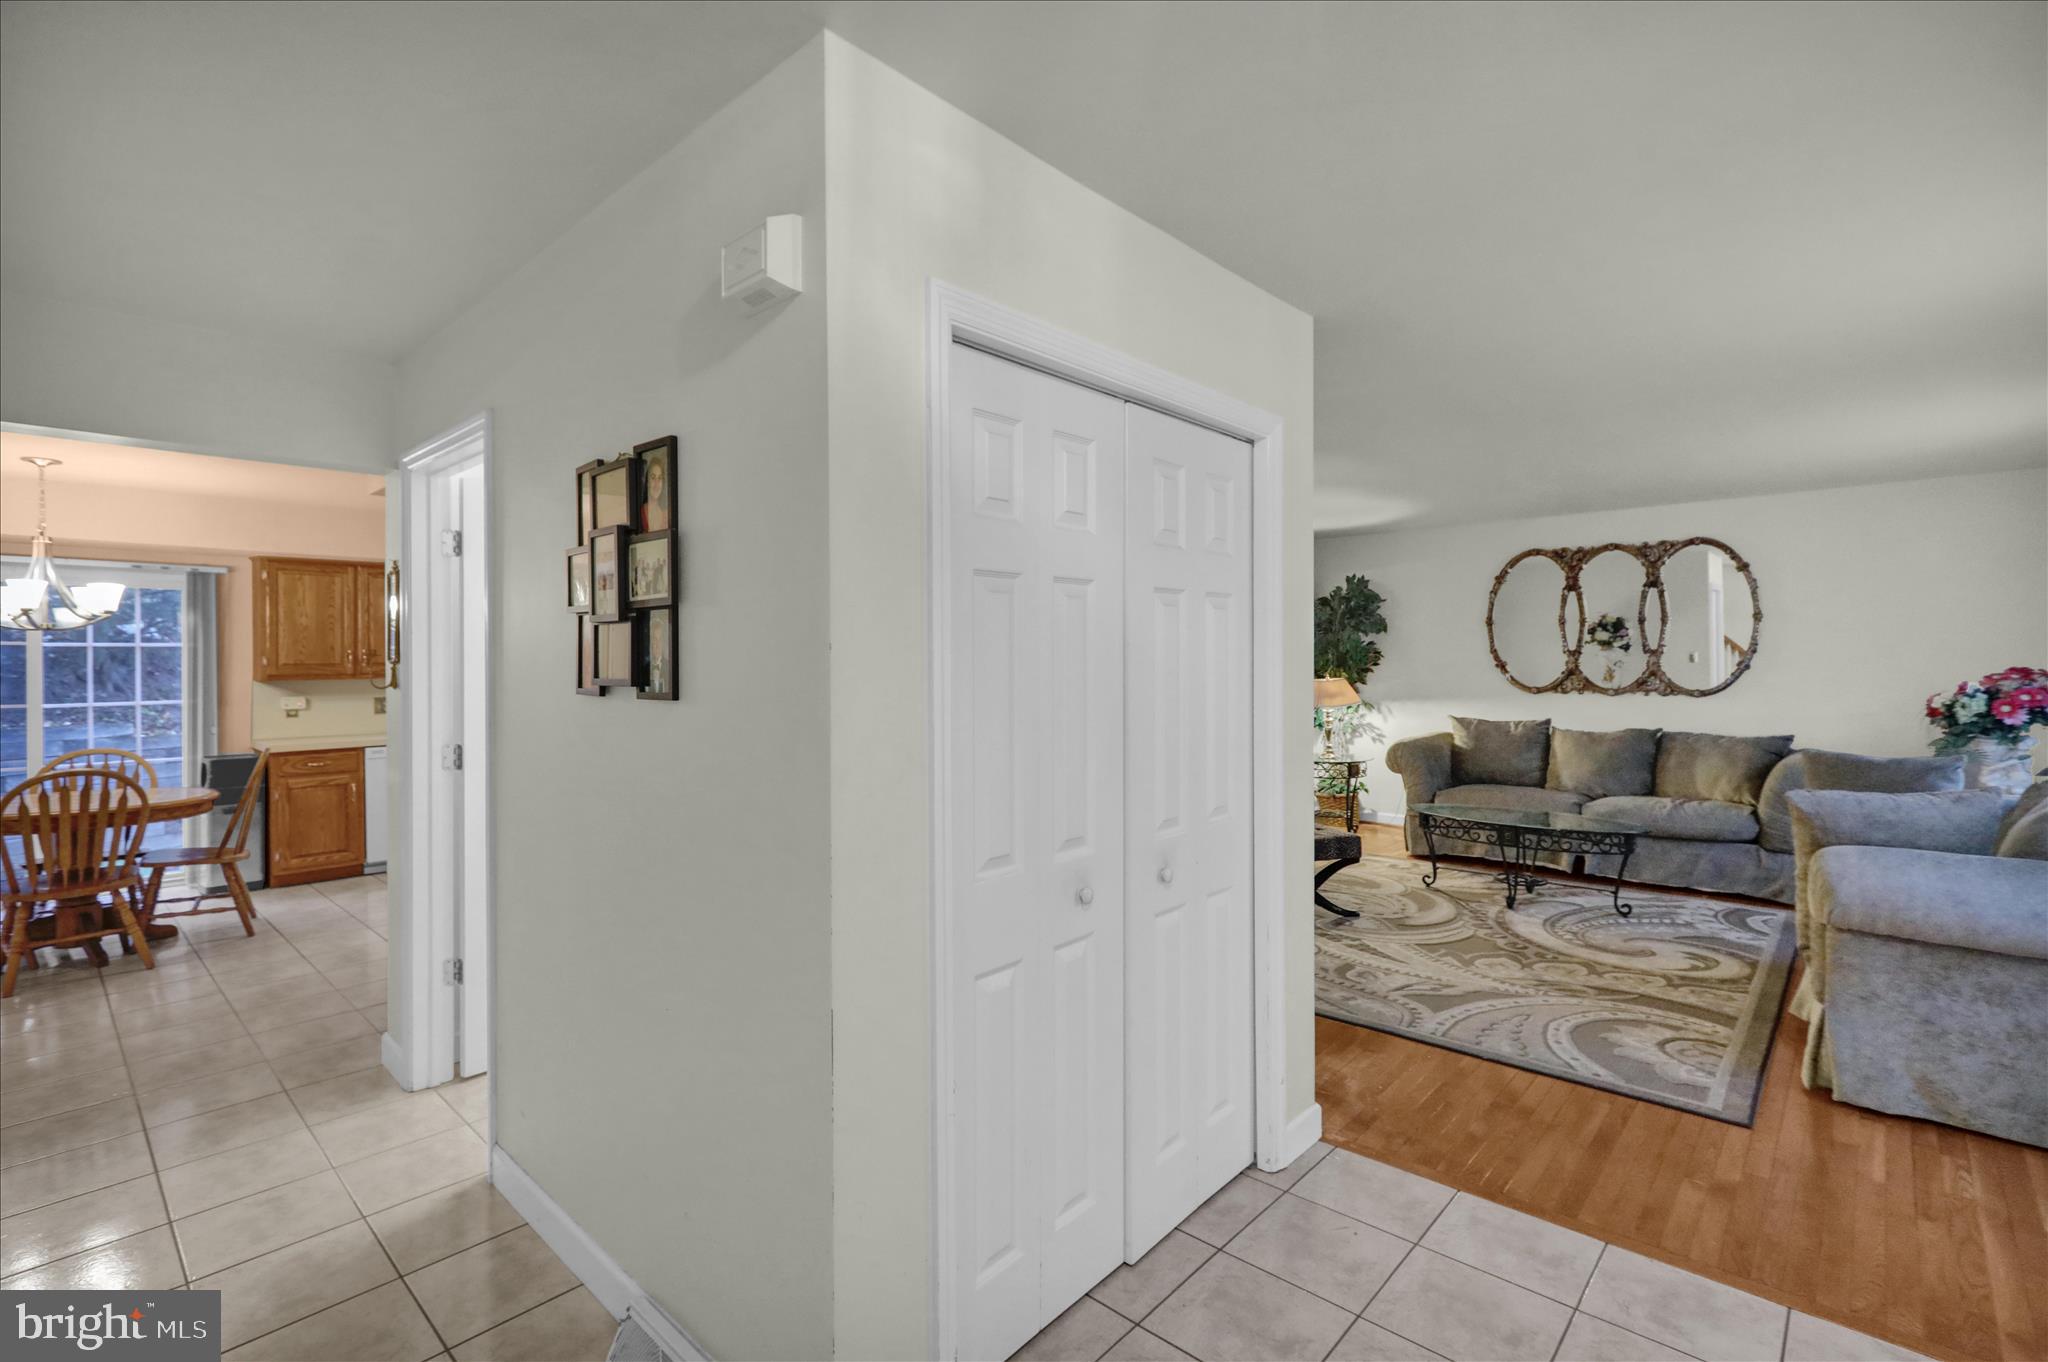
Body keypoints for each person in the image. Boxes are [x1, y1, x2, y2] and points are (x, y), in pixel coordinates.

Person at [641, 456, 669, 531]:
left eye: (660, 478)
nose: (657, 484)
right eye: (653, 477)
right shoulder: (639, 513)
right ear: (647, 482)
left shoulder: (666, 516)